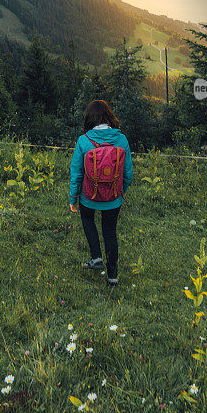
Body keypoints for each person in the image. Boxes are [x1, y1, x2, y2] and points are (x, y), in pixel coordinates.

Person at [69, 100, 133, 285]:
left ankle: (96, 258)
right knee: (110, 231)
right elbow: (128, 172)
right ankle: (113, 276)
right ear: (108, 116)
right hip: (114, 197)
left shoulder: (84, 140)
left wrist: (74, 197)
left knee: (87, 219)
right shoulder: (121, 140)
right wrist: (121, 192)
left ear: (90, 118)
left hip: (89, 197)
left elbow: (77, 172)